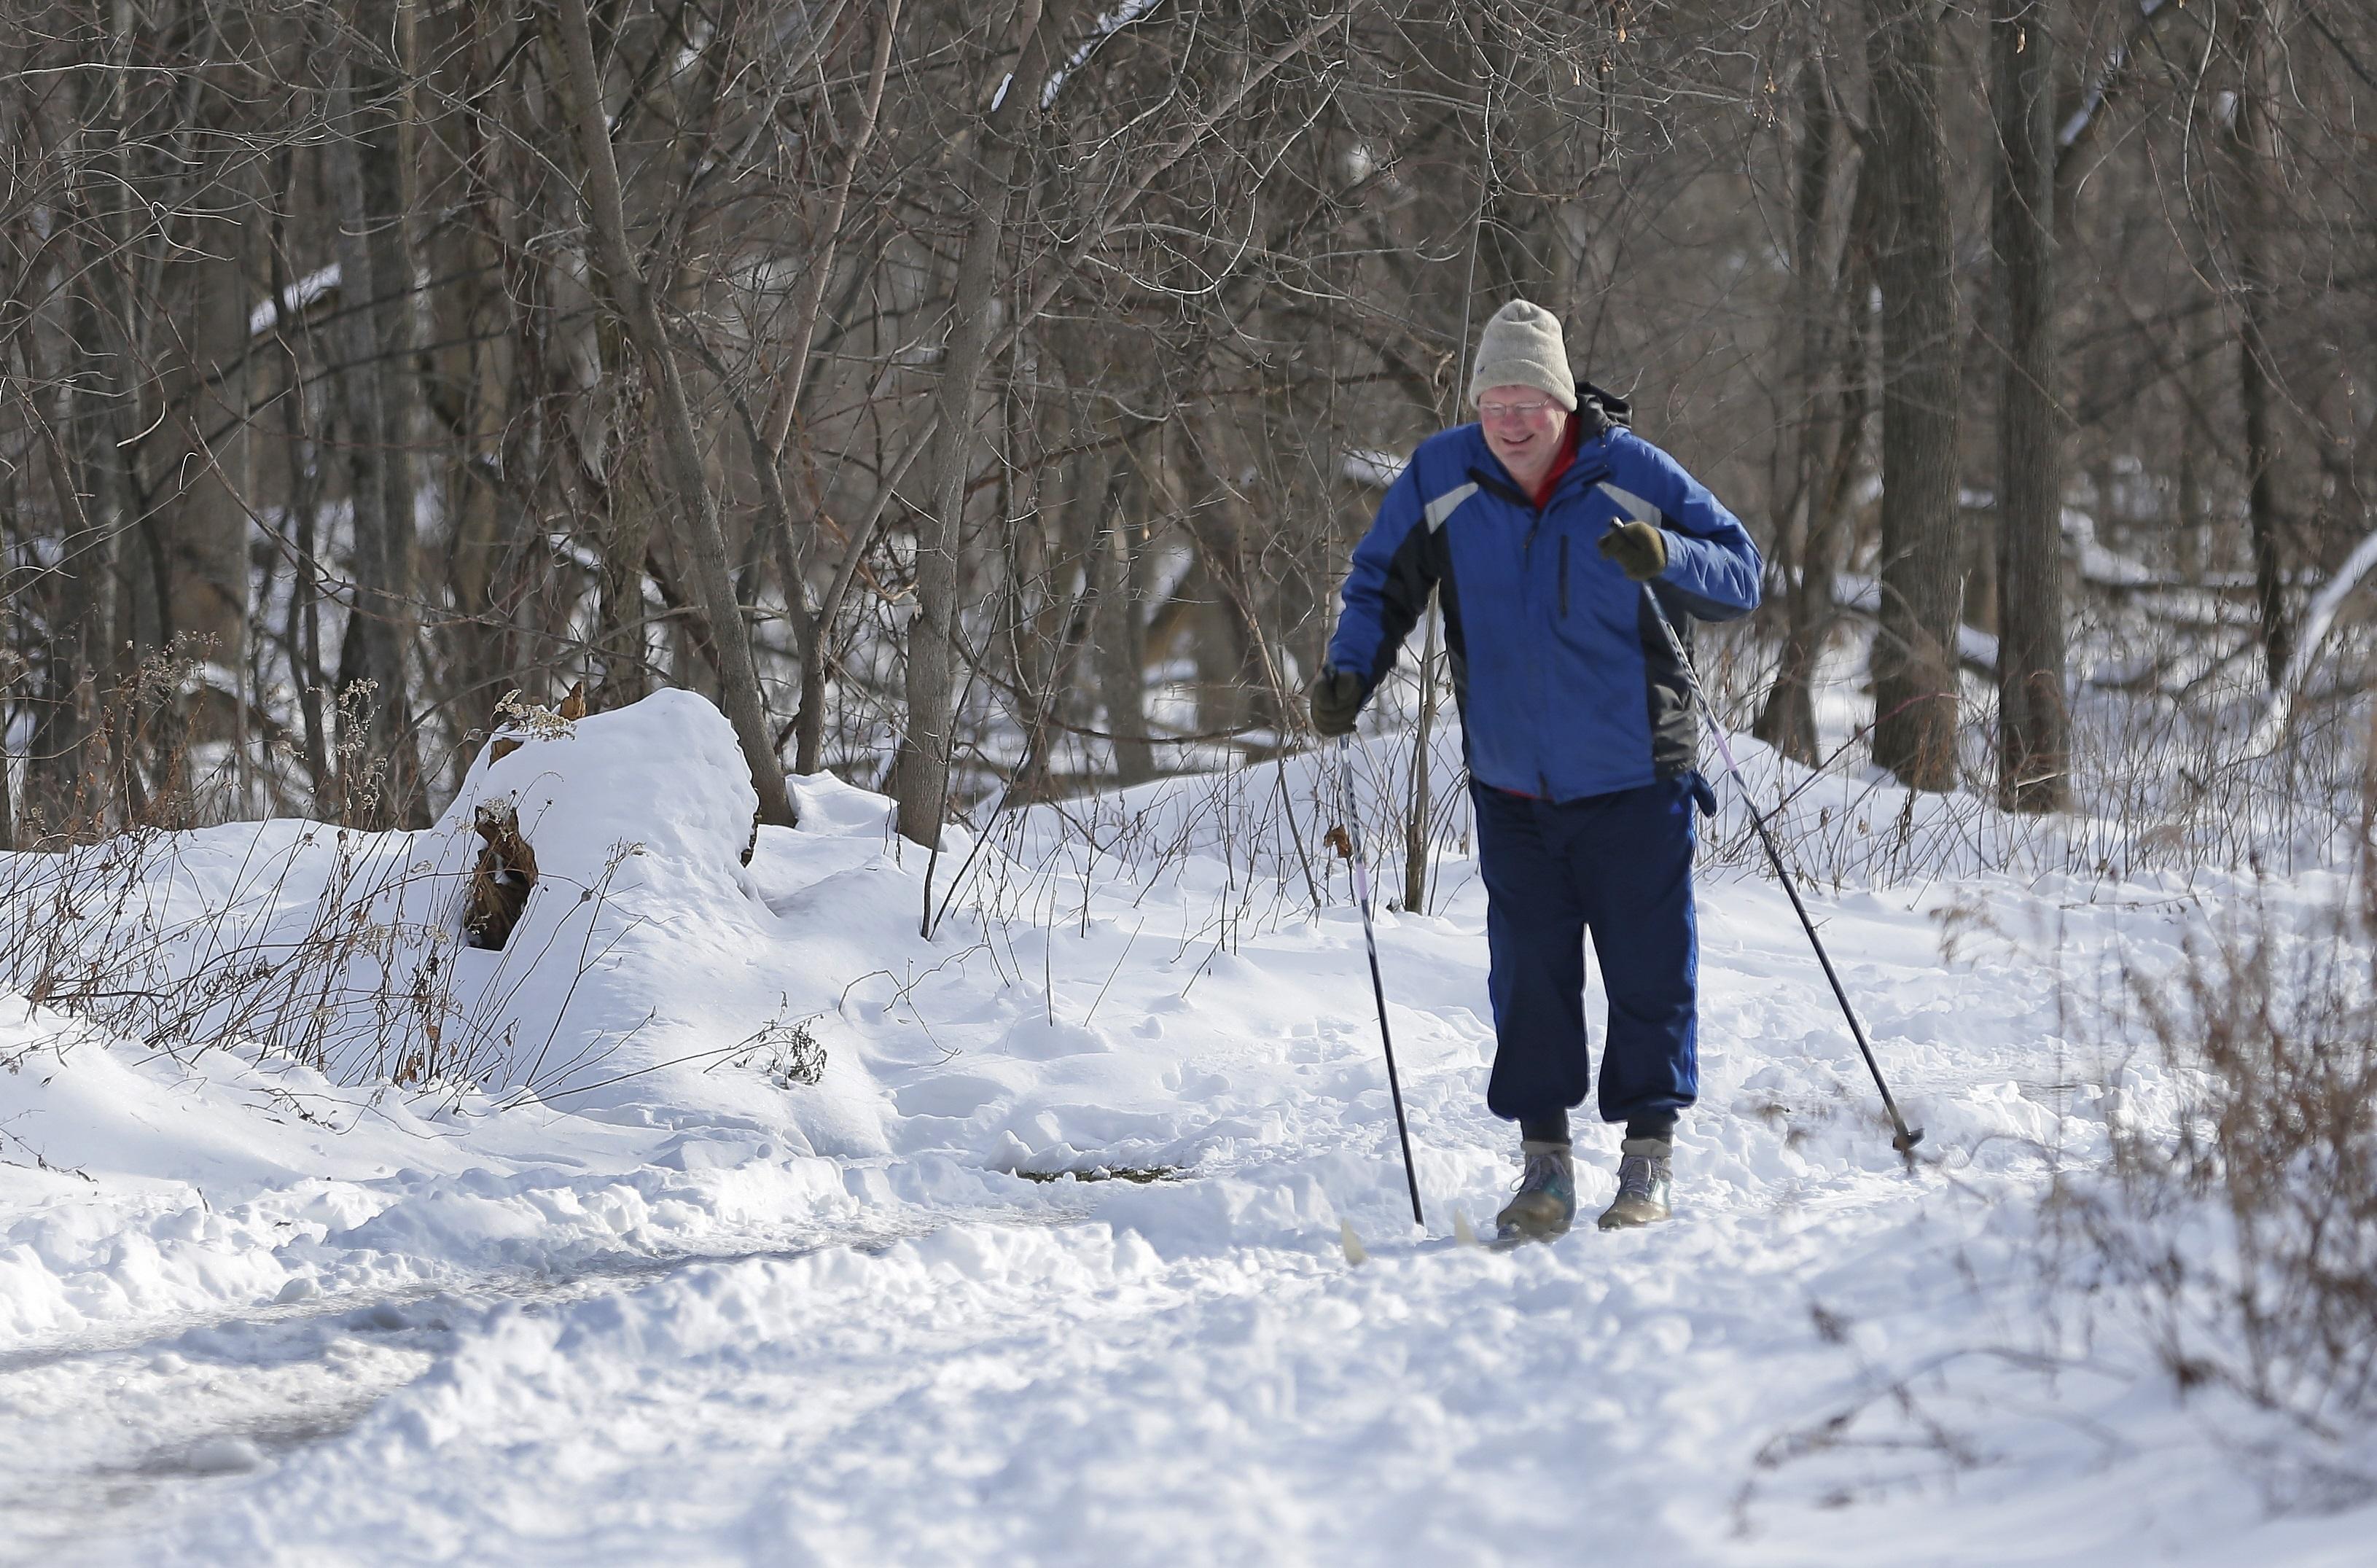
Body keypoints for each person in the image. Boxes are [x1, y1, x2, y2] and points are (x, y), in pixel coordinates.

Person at [1311, 300, 1761, 1239]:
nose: (1511, 422)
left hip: (1636, 774)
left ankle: (1647, 1164)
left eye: (1530, 403)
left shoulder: (1629, 474)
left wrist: (1665, 553)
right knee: (1528, 979)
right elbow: (1380, 579)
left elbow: (1741, 570)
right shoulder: (1444, 473)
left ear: (1564, 404)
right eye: (1494, 403)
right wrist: (1353, 669)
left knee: (1648, 972)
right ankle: (1544, 1171)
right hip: (1513, 784)